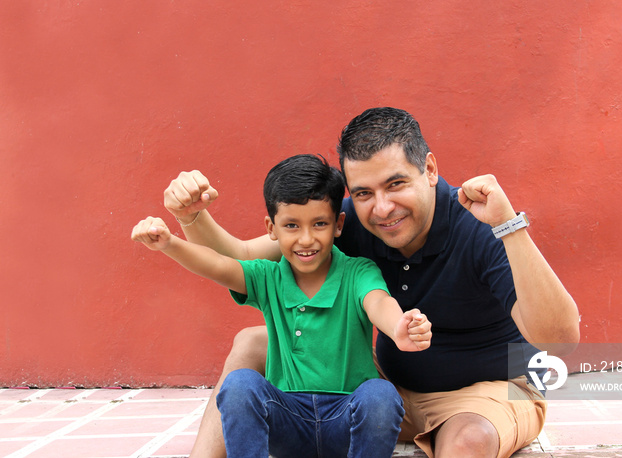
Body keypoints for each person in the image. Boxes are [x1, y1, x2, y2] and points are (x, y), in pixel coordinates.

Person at [164, 107, 580, 458]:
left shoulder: (479, 224)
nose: (382, 208)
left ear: (429, 169)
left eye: (396, 184)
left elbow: (560, 340)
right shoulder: (349, 220)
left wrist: (510, 227)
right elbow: (240, 257)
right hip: (384, 387)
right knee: (251, 342)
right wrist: (191, 216)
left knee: (469, 440)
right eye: (364, 192)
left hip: (483, 393)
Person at [132, 154, 433, 458]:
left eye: (319, 224)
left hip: (347, 421)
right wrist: (170, 244)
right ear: (271, 228)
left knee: (380, 395)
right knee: (239, 384)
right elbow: (218, 265)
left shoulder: (358, 272)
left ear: (338, 224)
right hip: (288, 423)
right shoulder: (267, 277)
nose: (306, 239)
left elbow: (378, 302)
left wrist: (398, 327)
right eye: (291, 225)